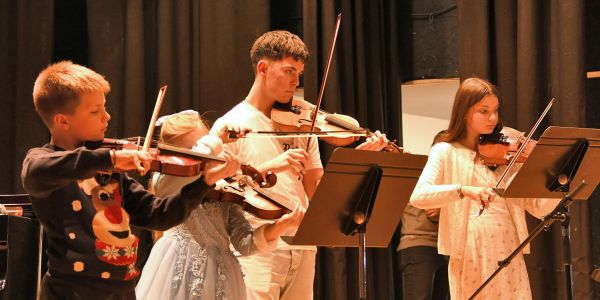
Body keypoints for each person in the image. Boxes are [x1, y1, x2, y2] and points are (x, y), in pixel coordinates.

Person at [21, 61, 239, 300]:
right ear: (63, 121)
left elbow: (160, 215)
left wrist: (204, 182)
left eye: (104, 107)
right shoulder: (45, 162)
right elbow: (36, 171)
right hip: (71, 293)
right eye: (95, 111)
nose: (107, 116)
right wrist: (110, 157)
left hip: (121, 292)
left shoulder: (110, 172)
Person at [211, 30, 389, 299]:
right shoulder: (231, 125)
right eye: (289, 71)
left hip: (303, 246)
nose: (296, 82)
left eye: (299, 74)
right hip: (259, 247)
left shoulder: (302, 123)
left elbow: (316, 189)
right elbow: (220, 189)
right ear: (263, 68)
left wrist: (356, 160)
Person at [409, 77, 560, 300]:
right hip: (470, 248)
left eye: (496, 110)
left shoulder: (505, 155)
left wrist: (558, 181)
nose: (493, 118)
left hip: (508, 246)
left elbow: (537, 207)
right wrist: (462, 189)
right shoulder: (445, 151)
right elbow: (418, 197)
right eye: (484, 111)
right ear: (464, 112)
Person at [135, 111, 305, 299]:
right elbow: (164, 187)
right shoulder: (170, 179)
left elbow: (244, 243)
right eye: (195, 150)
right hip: (178, 269)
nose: (203, 156)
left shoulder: (225, 189)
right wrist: (214, 139)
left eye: (204, 145)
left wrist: (278, 227)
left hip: (221, 277)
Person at [398, 131, 449, 300]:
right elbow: (432, 212)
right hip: (419, 245)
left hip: (444, 247)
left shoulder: (449, 177)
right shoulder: (423, 172)